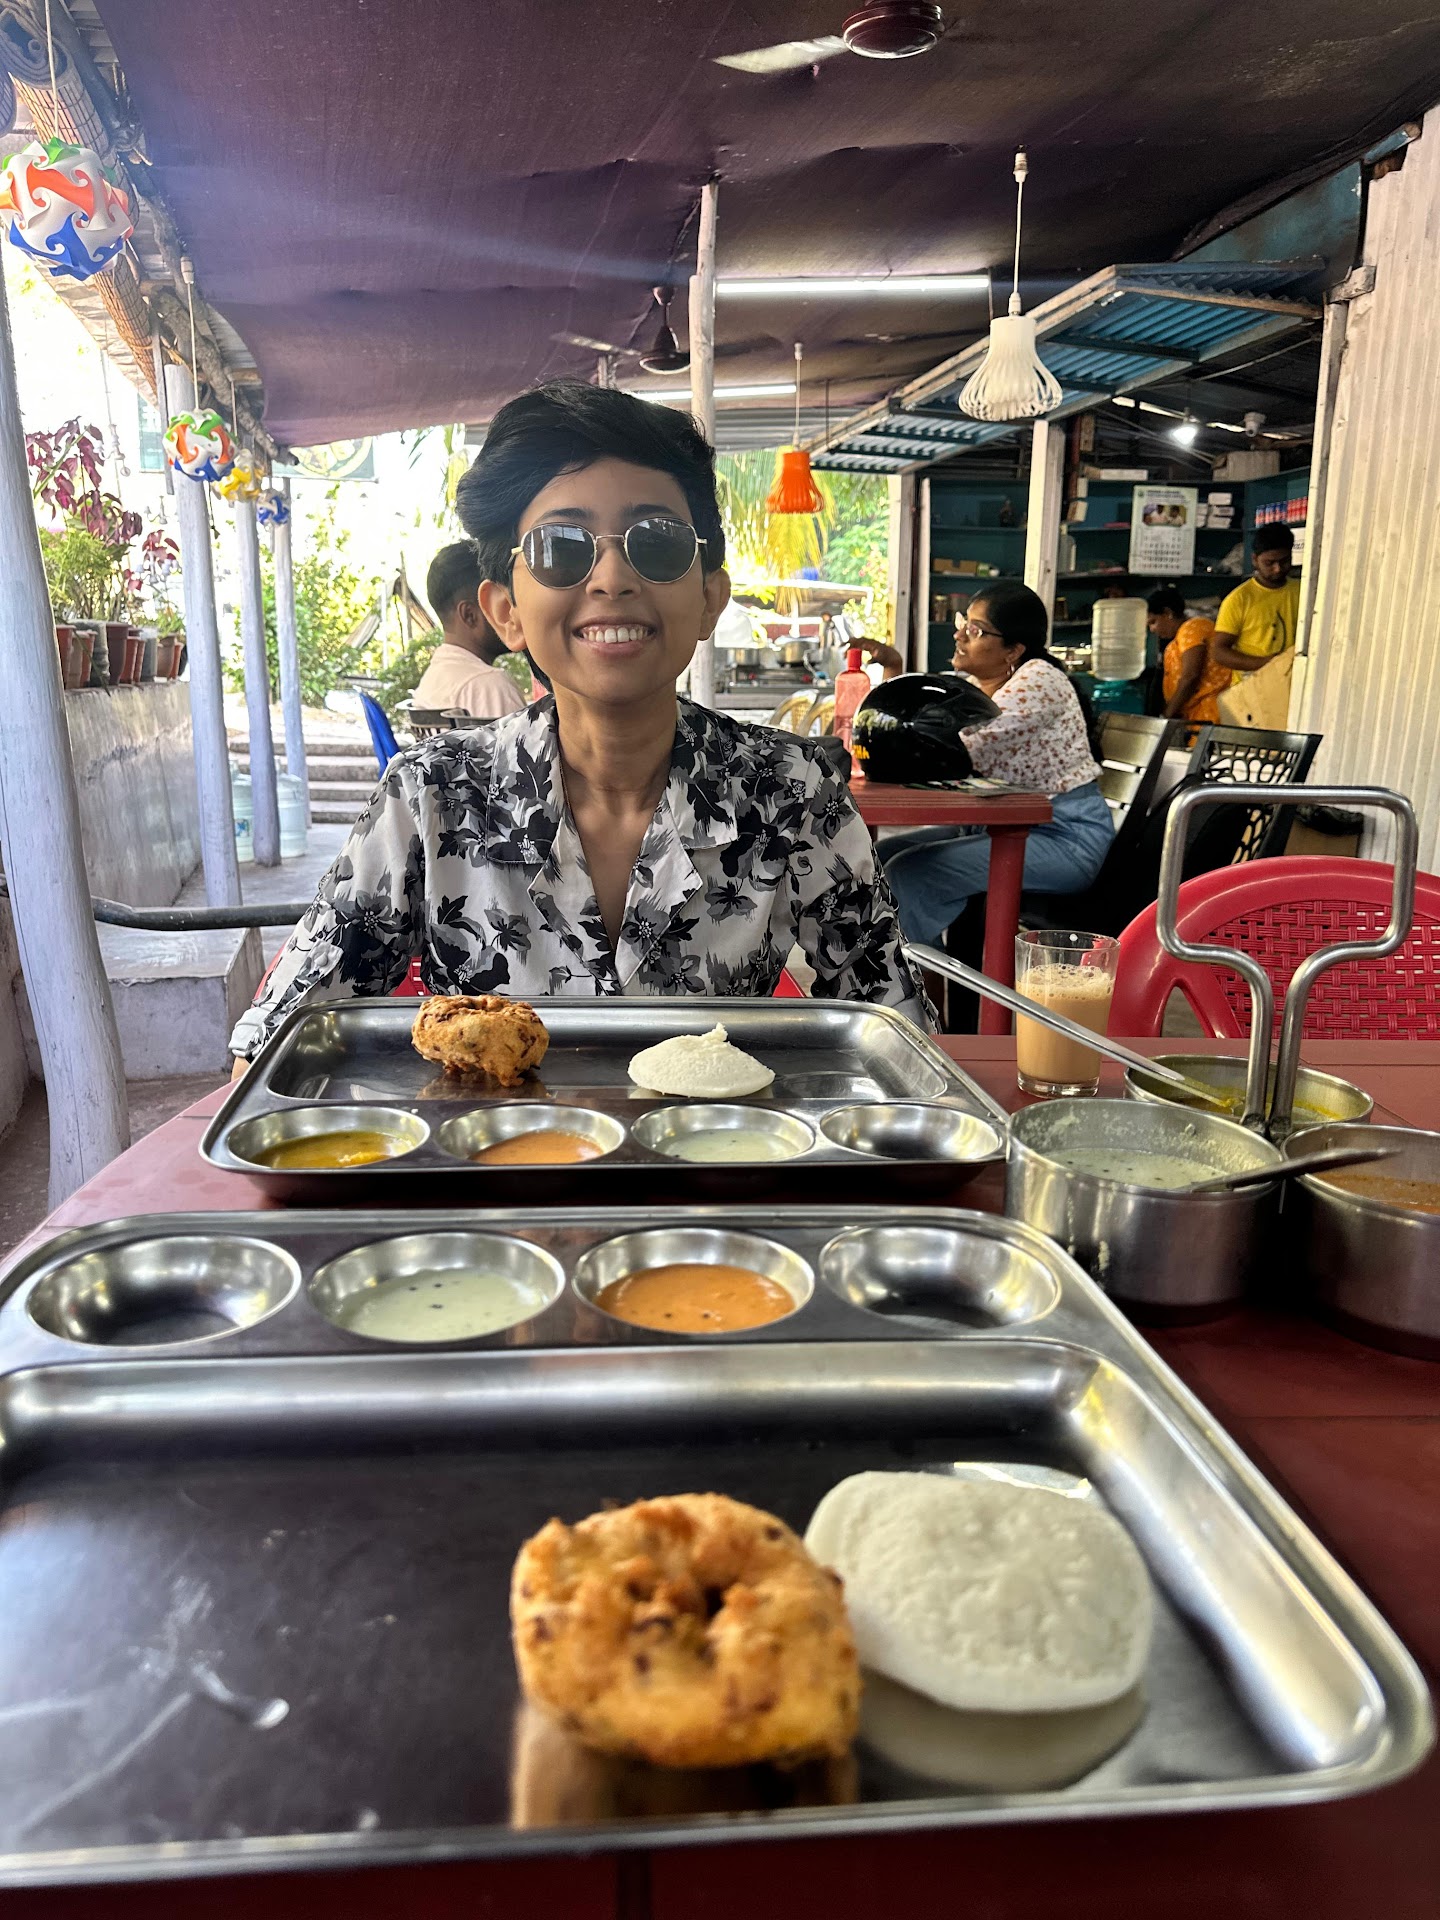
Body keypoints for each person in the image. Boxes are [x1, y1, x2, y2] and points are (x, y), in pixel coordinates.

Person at [229, 382, 929, 1066]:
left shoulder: (792, 791)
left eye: (657, 542)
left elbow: (899, 1039)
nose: (612, 577)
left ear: (710, 597)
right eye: (562, 547)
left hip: (712, 1142)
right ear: (505, 610)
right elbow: (275, 1047)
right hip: (489, 1143)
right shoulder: (431, 794)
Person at [881, 581, 1114, 945]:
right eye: (963, 623)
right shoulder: (972, 685)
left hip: (1063, 837)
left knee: (910, 873)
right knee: (880, 857)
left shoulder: (1038, 681)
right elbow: (908, 729)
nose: (959, 635)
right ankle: (911, 969)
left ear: (1013, 649)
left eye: (975, 630)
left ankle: (912, 978)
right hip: (999, 828)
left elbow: (942, 750)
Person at [411, 540, 526, 721]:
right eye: (504, 603)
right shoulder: (489, 687)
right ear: (469, 615)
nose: (513, 613)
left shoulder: (432, 681)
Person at [1209, 525, 1300, 681]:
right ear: (1255, 560)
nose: (1277, 569)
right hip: (1252, 687)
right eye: (1269, 563)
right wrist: (1266, 663)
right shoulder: (1239, 599)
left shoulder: (1303, 590)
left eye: (1284, 561)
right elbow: (1219, 652)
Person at [1148, 587, 1224, 723]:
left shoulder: (1191, 628)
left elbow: (1190, 676)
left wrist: (1166, 716)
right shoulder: (1175, 643)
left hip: (1209, 715)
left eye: (1153, 622)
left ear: (1168, 613)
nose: (1152, 629)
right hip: (1194, 717)